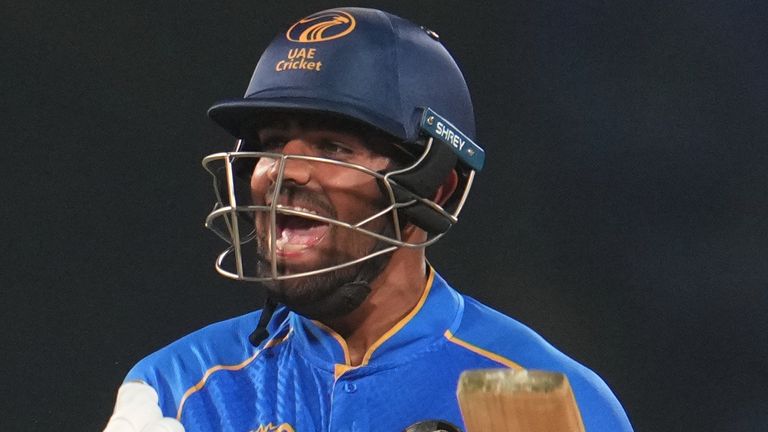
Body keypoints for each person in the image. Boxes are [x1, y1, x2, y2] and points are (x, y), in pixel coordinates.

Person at [104, 7, 633, 432]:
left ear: (435, 187)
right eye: (270, 145)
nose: (284, 174)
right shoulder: (182, 391)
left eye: (333, 147)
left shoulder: (527, 395)